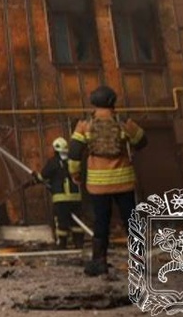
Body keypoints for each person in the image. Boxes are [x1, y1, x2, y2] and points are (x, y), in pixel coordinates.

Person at [68, 85, 147, 277]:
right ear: (113, 102)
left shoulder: (85, 125)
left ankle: (99, 262)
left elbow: (74, 153)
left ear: (93, 102)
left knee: (101, 222)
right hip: (124, 181)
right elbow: (142, 141)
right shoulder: (123, 122)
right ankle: (138, 263)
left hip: (98, 185)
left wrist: (75, 174)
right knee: (131, 221)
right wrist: (132, 147)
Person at [33, 137, 83, 249]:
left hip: (61, 199)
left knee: (61, 222)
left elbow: (43, 176)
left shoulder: (53, 162)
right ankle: (79, 243)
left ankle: (62, 244)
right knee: (76, 222)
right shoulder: (73, 161)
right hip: (76, 198)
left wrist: (36, 177)